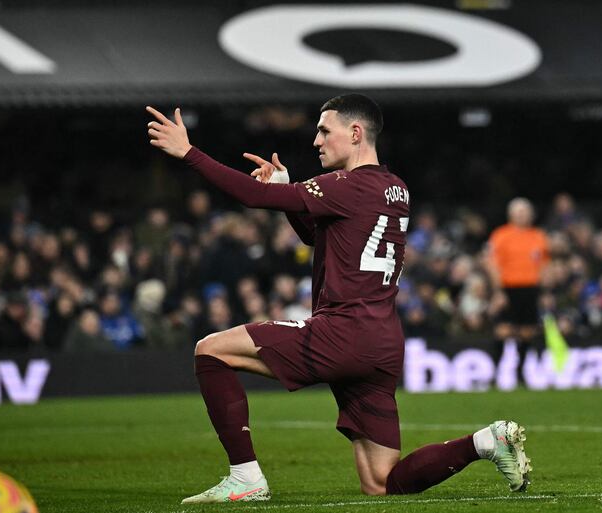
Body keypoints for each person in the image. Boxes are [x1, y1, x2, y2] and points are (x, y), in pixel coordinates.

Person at [146, 94, 531, 504]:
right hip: (381, 342)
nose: (316, 141)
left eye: (324, 130)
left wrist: (189, 153)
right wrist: (290, 195)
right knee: (382, 483)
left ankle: (245, 478)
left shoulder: (347, 186)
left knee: (211, 352)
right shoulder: (395, 188)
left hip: (343, 331)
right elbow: (322, 237)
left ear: (355, 132)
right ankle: (484, 442)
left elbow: (253, 198)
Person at [487, 197, 549, 379]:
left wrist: (544, 291)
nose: (523, 216)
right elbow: (493, 265)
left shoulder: (538, 236)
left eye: (526, 212)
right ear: (511, 215)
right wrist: (498, 291)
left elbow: (545, 266)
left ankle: (520, 371)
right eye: (519, 212)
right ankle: (496, 371)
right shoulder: (501, 235)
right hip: (508, 288)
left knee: (527, 331)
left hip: (530, 289)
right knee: (503, 330)